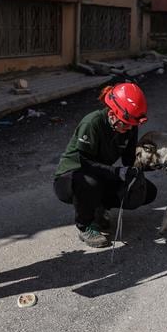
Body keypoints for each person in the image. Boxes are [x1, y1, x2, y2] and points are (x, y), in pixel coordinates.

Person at [53, 82, 157, 248]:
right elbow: (85, 163)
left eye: (132, 125)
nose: (129, 128)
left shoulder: (129, 126)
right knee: (89, 182)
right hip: (73, 177)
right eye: (126, 123)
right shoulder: (92, 123)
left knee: (146, 191)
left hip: (101, 175)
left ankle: (100, 208)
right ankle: (85, 225)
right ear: (113, 113)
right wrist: (117, 172)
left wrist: (149, 165)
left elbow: (128, 159)